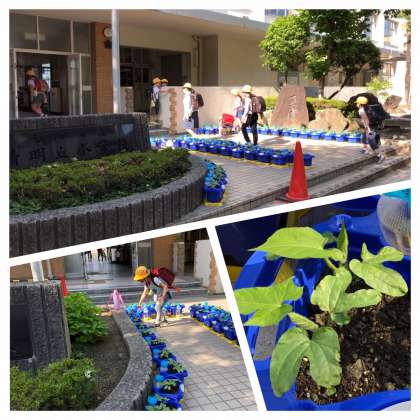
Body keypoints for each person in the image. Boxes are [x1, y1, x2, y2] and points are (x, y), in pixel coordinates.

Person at [356, 96, 385, 163]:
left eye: (357, 103)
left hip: (370, 127)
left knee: (371, 141)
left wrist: (368, 129)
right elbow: (378, 116)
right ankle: (365, 149)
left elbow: (365, 121)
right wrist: (381, 123)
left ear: (360, 104)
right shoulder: (370, 107)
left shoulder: (361, 110)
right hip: (375, 125)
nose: (356, 104)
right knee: (364, 135)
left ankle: (380, 156)